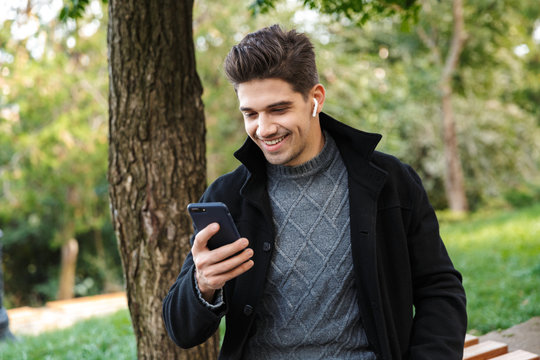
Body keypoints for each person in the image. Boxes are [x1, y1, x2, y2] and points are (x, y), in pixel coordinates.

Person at [163, 24, 467, 360]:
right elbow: (181, 331)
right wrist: (202, 285)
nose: (263, 129)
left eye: (278, 109)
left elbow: (440, 289)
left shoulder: (391, 182)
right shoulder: (228, 196)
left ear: (315, 99)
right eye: (250, 114)